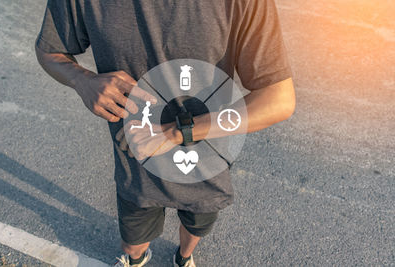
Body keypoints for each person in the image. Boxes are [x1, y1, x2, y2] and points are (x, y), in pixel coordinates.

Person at [35, 0, 296, 266]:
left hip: (207, 160)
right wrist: (82, 80)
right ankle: (136, 259)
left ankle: (183, 258)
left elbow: (278, 100)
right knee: (132, 242)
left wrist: (175, 133)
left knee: (195, 228)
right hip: (135, 162)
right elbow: (49, 50)